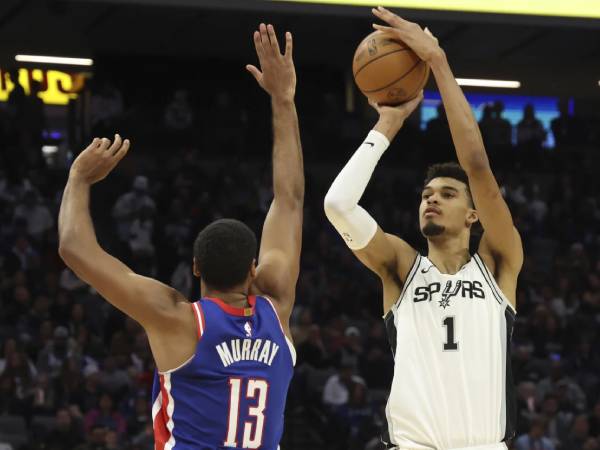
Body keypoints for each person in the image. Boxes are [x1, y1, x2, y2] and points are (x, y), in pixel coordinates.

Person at [58, 22, 304, 450]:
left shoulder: (176, 319)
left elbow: (74, 249)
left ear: (194, 267)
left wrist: (79, 178)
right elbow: (289, 200)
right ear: (253, 269)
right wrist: (283, 100)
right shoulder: (276, 306)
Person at [324, 7, 523, 450]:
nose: (431, 198)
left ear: (474, 216)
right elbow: (338, 204)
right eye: (426, 193)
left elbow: (475, 164)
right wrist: (386, 124)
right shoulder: (399, 266)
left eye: (448, 194)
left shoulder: (498, 262)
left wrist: (437, 61)